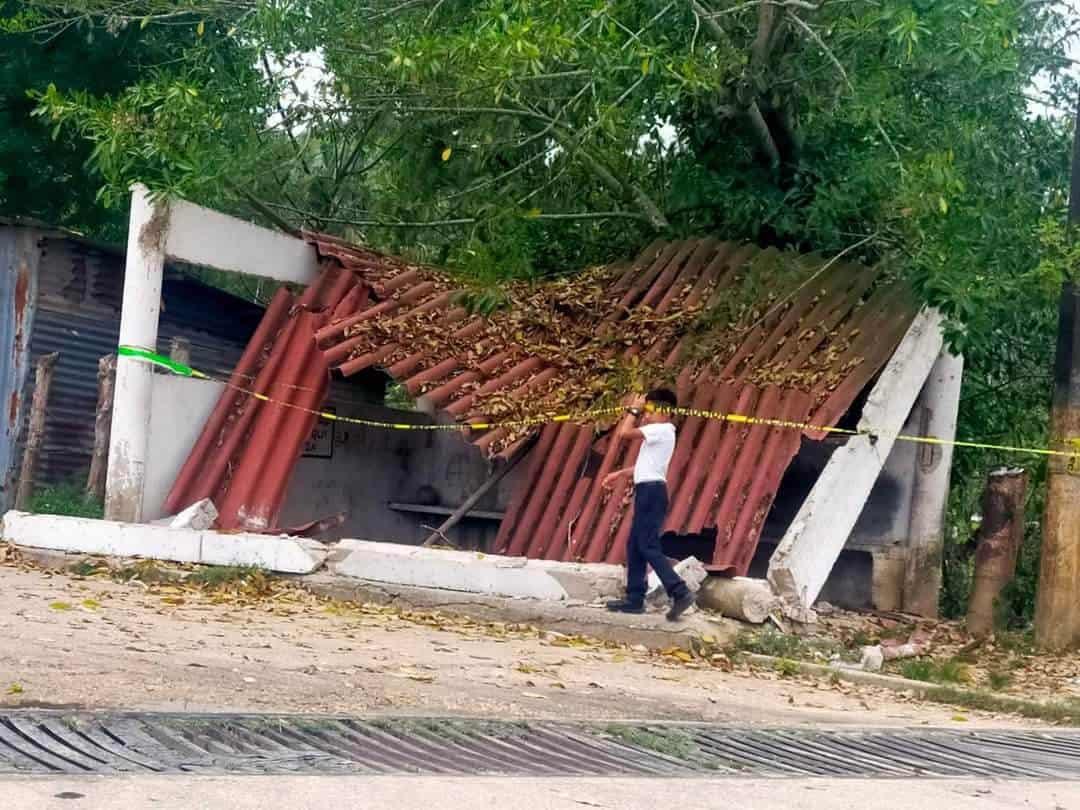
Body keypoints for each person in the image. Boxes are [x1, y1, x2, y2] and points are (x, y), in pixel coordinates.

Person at [601, 388, 694, 621]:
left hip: (652, 492)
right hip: (648, 489)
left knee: (647, 545)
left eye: (649, 410)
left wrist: (634, 409)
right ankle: (634, 598)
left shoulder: (661, 429)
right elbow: (646, 466)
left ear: (663, 411)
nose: (645, 415)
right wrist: (621, 473)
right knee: (635, 544)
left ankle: (679, 591)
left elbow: (624, 433)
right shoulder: (661, 433)